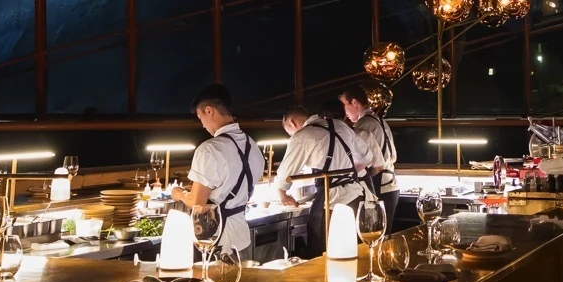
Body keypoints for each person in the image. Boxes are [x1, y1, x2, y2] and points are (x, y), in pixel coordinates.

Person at [171, 85, 259, 255]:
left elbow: (197, 203)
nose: (203, 125)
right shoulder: (252, 145)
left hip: (216, 241)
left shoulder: (209, 149)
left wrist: (179, 194)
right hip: (242, 237)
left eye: (200, 117)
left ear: (209, 111)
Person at [275, 102, 370, 253]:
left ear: (291, 123)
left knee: (321, 252)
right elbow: (366, 157)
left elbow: (286, 173)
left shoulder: (303, 135)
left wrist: (282, 194)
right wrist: (344, 172)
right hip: (355, 197)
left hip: (328, 202)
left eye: (289, 132)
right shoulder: (343, 127)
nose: (291, 135)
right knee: (353, 251)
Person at [339, 83, 399, 226]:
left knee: (374, 231)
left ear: (354, 102)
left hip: (379, 185)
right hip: (390, 183)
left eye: (344, 106)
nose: (344, 112)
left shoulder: (363, 125)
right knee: (383, 231)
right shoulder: (380, 120)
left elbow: (367, 161)